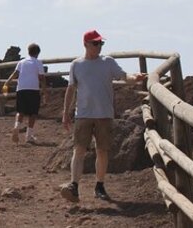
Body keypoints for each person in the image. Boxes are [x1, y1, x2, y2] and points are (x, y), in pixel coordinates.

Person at [60, 30, 147, 202]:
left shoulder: (108, 62)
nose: (99, 46)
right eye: (95, 43)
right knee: (79, 149)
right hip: (83, 114)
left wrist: (135, 78)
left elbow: (124, 76)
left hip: (104, 114)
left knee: (102, 150)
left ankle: (99, 185)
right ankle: (74, 186)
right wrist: (66, 112)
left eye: (101, 43)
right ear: (85, 44)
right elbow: (71, 89)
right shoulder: (76, 65)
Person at [3, 43, 46, 144]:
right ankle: (28, 136)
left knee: (20, 111)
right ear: (37, 53)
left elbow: (15, 73)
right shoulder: (38, 62)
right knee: (33, 113)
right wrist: (44, 90)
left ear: (28, 51)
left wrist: (7, 83)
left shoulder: (21, 62)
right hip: (33, 89)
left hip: (21, 89)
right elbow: (42, 78)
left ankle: (16, 126)